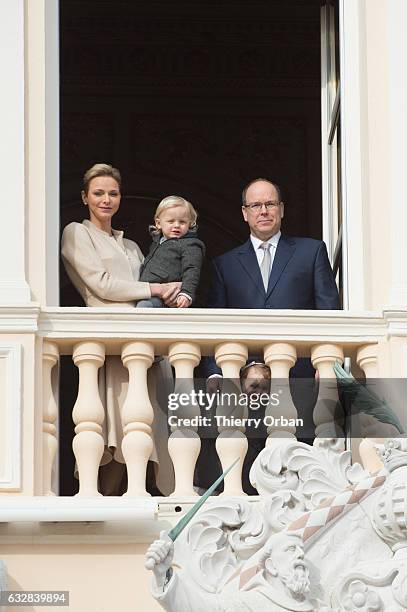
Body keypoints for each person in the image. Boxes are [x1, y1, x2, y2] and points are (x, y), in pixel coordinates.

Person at [61, 163, 180, 495]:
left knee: (143, 431)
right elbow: (102, 285)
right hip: (111, 345)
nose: (106, 200)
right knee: (113, 435)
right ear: (85, 197)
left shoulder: (131, 246)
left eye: (113, 193)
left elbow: (150, 283)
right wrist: (156, 290)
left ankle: (136, 500)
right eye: (98, 193)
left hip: (143, 344)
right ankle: (105, 504)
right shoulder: (76, 233)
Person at [146, 530, 316, 612]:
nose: (301, 555)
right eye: (291, 549)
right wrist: (163, 574)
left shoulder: (319, 608)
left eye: (302, 551)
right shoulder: (247, 604)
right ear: (271, 566)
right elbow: (197, 608)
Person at [137, 195, 205, 308]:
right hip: (146, 291)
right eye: (171, 221)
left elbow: (192, 270)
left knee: (144, 307)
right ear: (158, 223)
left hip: (167, 297)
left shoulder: (191, 244)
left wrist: (186, 293)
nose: (176, 225)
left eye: (182, 222)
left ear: (190, 224)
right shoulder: (157, 242)